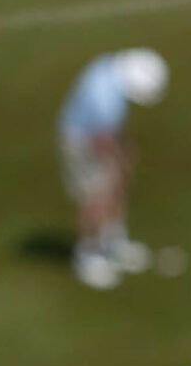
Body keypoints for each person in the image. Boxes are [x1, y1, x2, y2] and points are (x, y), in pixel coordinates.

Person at [57, 48, 169, 289]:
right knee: (96, 197)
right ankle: (89, 255)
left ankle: (113, 242)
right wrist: (118, 158)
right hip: (82, 141)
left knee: (114, 185)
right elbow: (100, 138)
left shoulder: (110, 67)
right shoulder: (105, 96)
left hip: (100, 133)